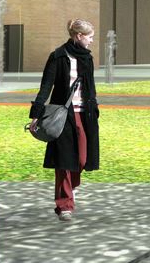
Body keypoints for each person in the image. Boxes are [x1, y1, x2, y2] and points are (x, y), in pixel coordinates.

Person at [29, 19, 100, 221]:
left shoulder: (87, 58)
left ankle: (70, 188)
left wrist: (95, 110)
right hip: (63, 115)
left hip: (84, 115)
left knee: (82, 159)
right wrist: (36, 114)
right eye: (90, 37)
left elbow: (91, 88)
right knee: (63, 161)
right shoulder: (58, 57)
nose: (92, 41)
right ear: (79, 36)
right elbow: (46, 87)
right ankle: (65, 205)